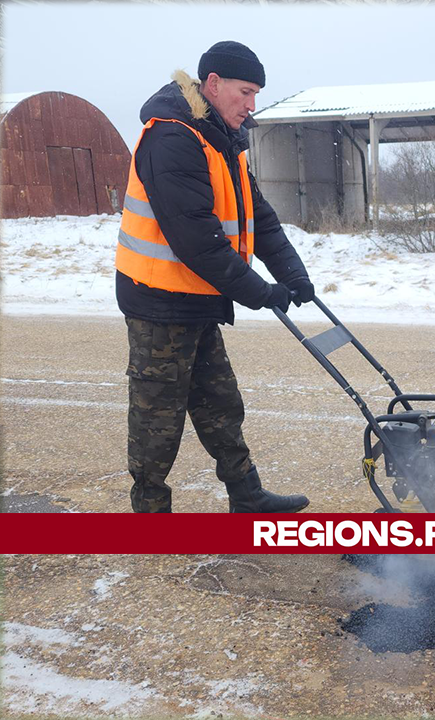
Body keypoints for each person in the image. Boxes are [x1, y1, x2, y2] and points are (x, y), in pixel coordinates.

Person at [115, 41, 313, 513]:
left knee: (221, 403)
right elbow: (196, 238)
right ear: (213, 84)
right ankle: (150, 514)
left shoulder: (221, 138)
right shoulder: (173, 136)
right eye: (246, 92)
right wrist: (259, 292)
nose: (252, 105)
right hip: (158, 299)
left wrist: (292, 272)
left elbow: (256, 214)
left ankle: (246, 495)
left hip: (200, 296)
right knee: (157, 417)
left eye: (257, 94)